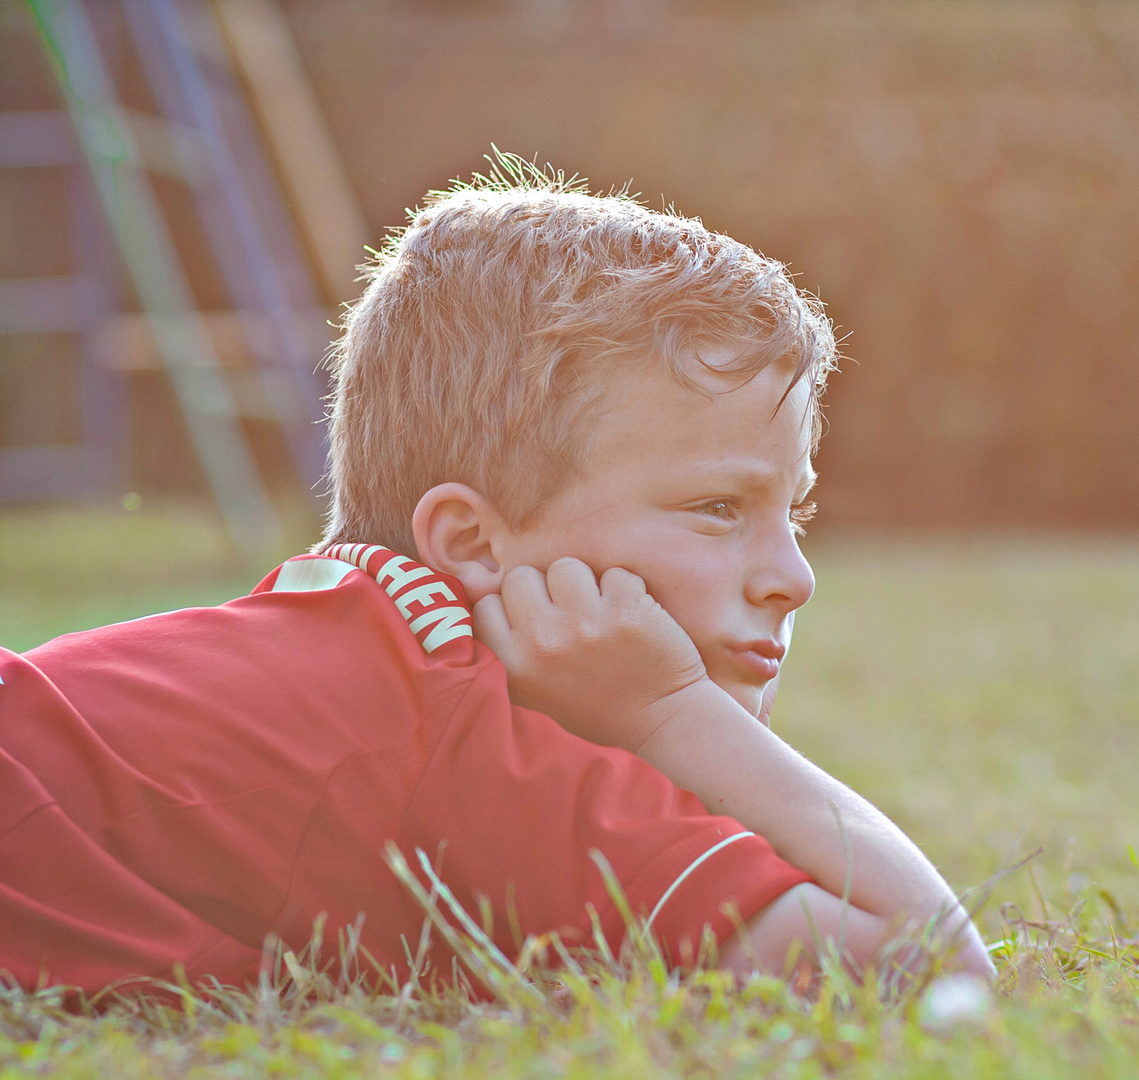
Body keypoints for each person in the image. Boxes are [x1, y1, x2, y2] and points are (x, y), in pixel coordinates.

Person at [0, 163, 993, 995]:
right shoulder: (457, 725)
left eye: (795, 513)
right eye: (718, 509)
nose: (794, 576)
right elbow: (925, 962)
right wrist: (676, 714)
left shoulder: (376, 638)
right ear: (473, 543)